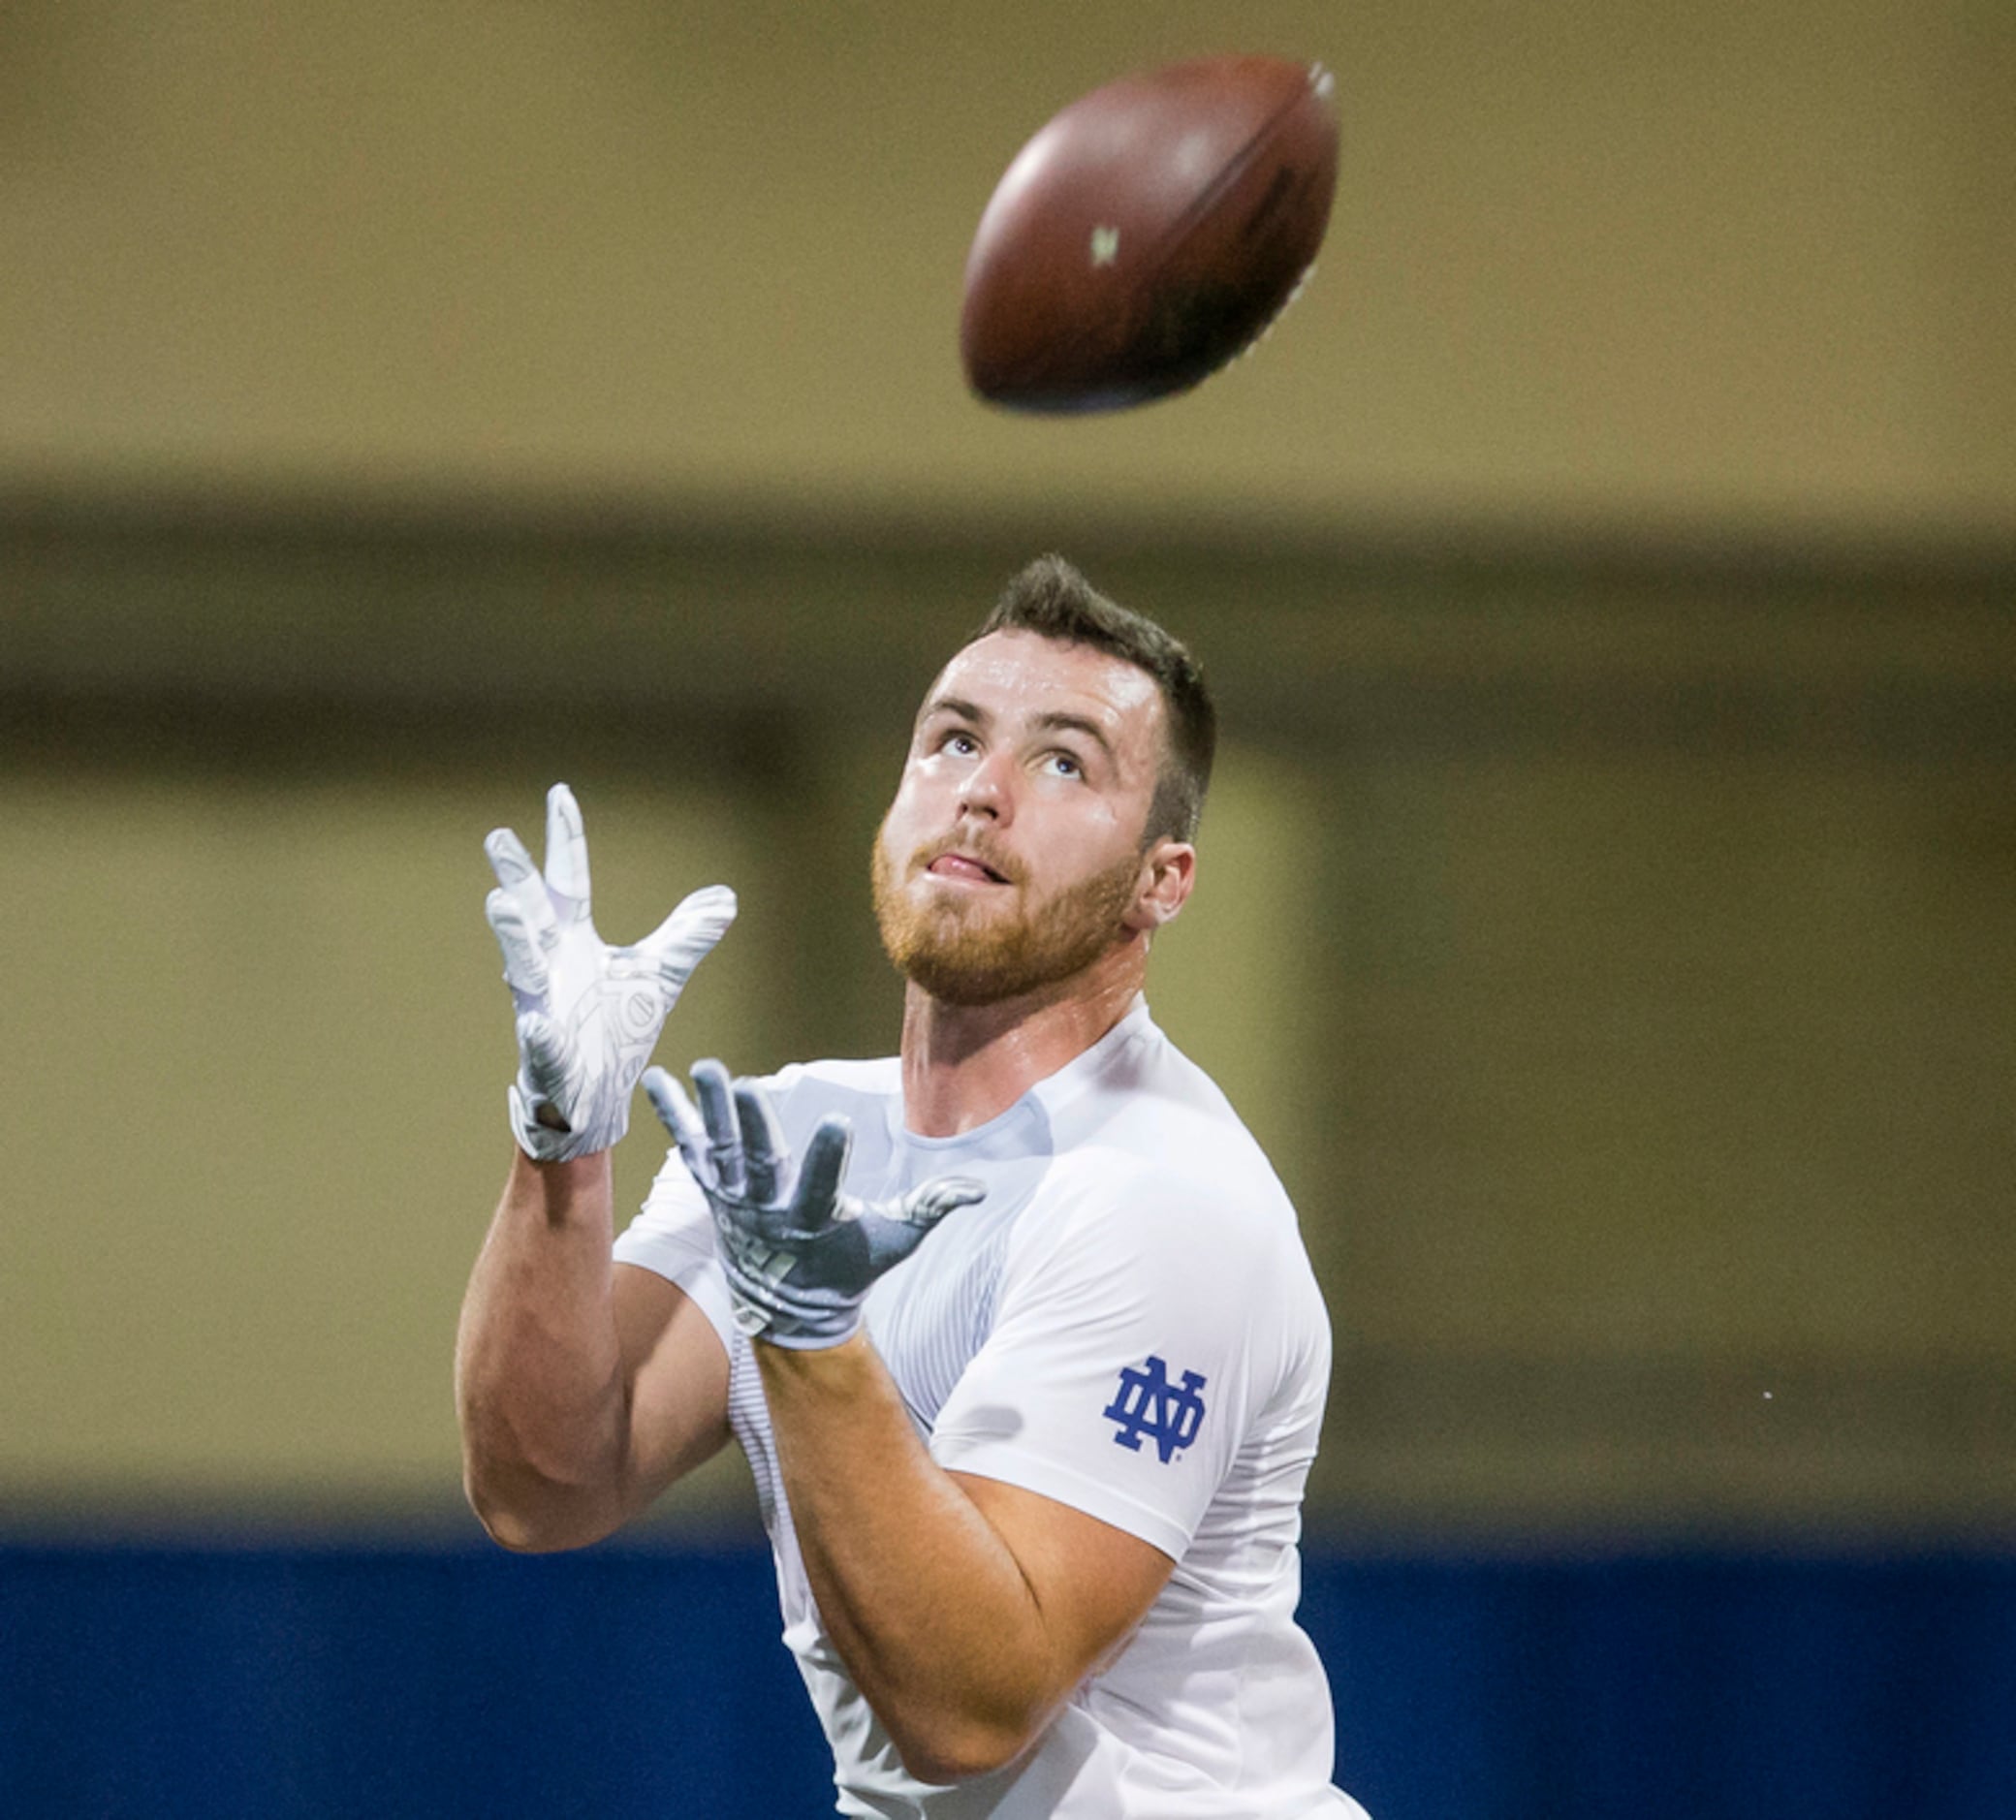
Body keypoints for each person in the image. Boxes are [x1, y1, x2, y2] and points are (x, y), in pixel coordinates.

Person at [456, 555, 1369, 1819]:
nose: (983, 792)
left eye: (1064, 762)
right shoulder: (795, 1135)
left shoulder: (1166, 1201)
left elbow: (968, 1706)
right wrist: (562, 1137)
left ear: (1163, 880)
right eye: (951, 740)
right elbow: (543, 1481)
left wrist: (811, 1335)